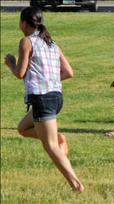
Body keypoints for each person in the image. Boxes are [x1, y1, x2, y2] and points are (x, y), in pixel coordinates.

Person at [3, 7, 84, 192]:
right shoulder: (51, 43)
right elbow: (69, 72)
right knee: (23, 128)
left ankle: (76, 185)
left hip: (42, 99)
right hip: (56, 98)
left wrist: (11, 63)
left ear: (24, 23)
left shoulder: (26, 41)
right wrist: (50, 79)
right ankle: (56, 137)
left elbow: (20, 73)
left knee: (51, 147)